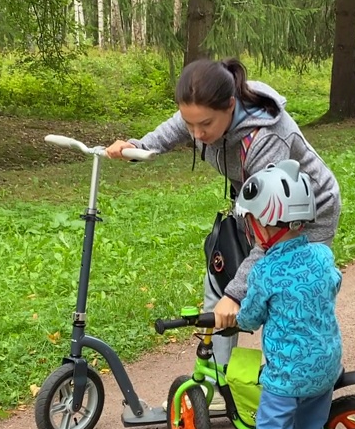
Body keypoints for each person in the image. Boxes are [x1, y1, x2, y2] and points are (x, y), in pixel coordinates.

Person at [105, 58, 341, 374]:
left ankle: (308, 376)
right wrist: (137, 147)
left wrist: (236, 295)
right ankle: (217, 379)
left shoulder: (266, 138)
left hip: (304, 213)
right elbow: (176, 126)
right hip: (254, 209)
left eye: (205, 124)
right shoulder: (203, 111)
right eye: (191, 124)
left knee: (292, 293)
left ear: (230, 106)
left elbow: (272, 237)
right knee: (219, 280)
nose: (197, 134)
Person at [232, 160, 343, 429]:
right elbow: (334, 284)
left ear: (263, 223)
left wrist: (237, 320)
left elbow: (249, 318)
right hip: (326, 365)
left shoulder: (264, 271)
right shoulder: (322, 255)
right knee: (311, 419)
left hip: (288, 374)